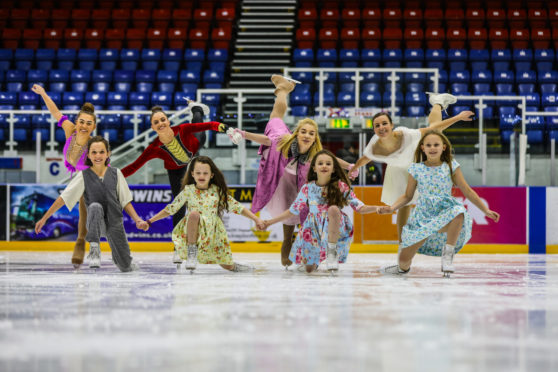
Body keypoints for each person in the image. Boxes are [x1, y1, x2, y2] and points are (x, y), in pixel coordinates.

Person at [229, 75, 357, 268]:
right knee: (276, 117)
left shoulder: (316, 156)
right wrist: (243, 134)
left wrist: (349, 166)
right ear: (297, 134)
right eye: (303, 132)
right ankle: (282, 89)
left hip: (300, 192)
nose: (307, 135)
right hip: (282, 187)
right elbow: (266, 140)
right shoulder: (284, 142)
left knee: (306, 223)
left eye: (311, 133)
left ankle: (282, 88)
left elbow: (331, 160)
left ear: (315, 138)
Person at [121, 104, 239, 265]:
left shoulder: (182, 129)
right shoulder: (154, 147)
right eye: (157, 122)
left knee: (198, 124)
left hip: (195, 150)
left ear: (168, 121)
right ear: (153, 127)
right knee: (178, 205)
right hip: (176, 172)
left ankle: (196, 109)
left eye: (163, 119)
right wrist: (111, 174)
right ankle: (177, 248)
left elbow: (211, 125)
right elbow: (134, 166)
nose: (161, 123)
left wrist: (228, 130)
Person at [348, 93, 474, 242]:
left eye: (384, 123)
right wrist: (353, 168)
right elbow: (364, 159)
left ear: (391, 125)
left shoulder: (406, 135)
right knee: (404, 205)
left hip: (414, 159)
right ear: (374, 129)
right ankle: (403, 244)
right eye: (377, 125)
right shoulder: (374, 147)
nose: (381, 127)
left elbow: (432, 129)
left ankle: (437, 102)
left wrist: (458, 117)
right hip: (397, 170)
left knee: (434, 131)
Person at [378, 131, 500, 277]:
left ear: (443, 147)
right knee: (403, 260)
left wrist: (485, 210)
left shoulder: (451, 166)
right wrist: (392, 208)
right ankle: (402, 268)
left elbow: (467, 190)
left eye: (436, 144)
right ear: (423, 148)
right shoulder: (416, 168)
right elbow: (407, 196)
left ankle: (448, 255)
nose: (432, 148)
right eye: (428, 145)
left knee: (459, 212)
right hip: (422, 217)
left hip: (444, 213)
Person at [34, 136, 146, 272]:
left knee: (125, 266)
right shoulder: (83, 175)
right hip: (94, 222)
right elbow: (63, 198)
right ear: (88, 155)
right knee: (94, 206)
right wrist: (44, 218)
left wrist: (137, 220)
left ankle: (121, 259)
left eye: (101, 152)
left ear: (108, 154)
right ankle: (94, 249)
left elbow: (125, 201)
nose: (98, 156)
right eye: (94, 152)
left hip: (114, 222)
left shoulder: (117, 174)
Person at [142, 156, 266, 273]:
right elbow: (170, 209)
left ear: (211, 175)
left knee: (227, 265)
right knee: (194, 214)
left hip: (212, 232)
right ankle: (192, 252)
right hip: (192, 230)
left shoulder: (217, 191)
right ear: (192, 174)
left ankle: (240, 267)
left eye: (205, 173)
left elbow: (237, 207)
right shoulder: (188, 190)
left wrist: (256, 219)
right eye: (198, 173)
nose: (201, 176)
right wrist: (149, 222)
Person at [263, 150, 379, 273]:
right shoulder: (307, 188)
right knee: (309, 269)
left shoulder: (341, 186)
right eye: (321, 163)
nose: (324, 166)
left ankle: (331, 252)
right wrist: (270, 222)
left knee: (333, 209)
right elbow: (293, 210)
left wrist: (377, 208)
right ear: (314, 168)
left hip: (334, 225)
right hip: (312, 228)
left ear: (334, 169)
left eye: (328, 164)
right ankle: (314, 261)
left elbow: (359, 207)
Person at [32, 84, 97, 268]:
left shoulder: (94, 144)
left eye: (88, 123)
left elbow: (104, 165)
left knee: (84, 206)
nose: (84, 126)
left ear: (93, 127)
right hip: (77, 176)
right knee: (79, 202)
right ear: (77, 122)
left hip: (91, 177)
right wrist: (43, 93)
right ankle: (82, 240)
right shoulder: (70, 130)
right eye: (81, 122)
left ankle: (80, 241)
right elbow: (54, 110)